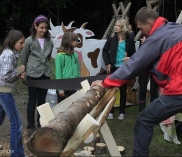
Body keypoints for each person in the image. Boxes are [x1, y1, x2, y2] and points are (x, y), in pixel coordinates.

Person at [91, 7, 182, 156]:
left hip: (179, 90)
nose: (141, 32)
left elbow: (135, 65)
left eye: (141, 28)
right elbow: (160, 62)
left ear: (149, 23)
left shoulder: (158, 36)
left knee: (143, 120)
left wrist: (106, 83)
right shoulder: (174, 29)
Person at [21, 15, 53, 137]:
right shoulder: (29, 41)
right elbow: (23, 58)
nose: (44, 30)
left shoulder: (49, 41)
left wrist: (46, 67)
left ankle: (40, 124)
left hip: (45, 74)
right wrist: (22, 72)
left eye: (46, 28)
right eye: (41, 28)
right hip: (33, 74)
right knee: (32, 101)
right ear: (35, 26)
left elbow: (48, 58)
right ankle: (30, 126)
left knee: (42, 101)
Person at [0, 30, 27, 157]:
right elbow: (5, 76)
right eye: (21, 43)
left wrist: (18, 75)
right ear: (13, 42)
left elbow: (8, 75)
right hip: (3, 93)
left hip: (3, 91)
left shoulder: (11, 53)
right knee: (16, 122)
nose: (23, 45)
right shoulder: (8, 54)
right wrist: (19, 70)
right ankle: (17, 155)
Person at [102, 19, 135, 120]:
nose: (115, 27)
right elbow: (104, 50)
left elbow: (133, 53)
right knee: (112, 89)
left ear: (123, 28)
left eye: (118, 26)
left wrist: (129, 59)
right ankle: (110, 111)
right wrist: (107, 63)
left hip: (124, 68)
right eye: (115, 25)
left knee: (123, 90)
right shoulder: (112, 38)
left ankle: (122, 112)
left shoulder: (129, 39)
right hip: (113, 67)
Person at [55, 32, 80, 102]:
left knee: (72, 106)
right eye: (75, 40)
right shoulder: (60, 56)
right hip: (63, 85)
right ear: (69, 41)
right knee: (62, 107)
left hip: (73, 85)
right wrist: (60, 89)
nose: (77, 42)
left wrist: (78, 84)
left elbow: (78, 71)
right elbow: (58, 73)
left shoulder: (75, 55)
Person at [138, 34, 158, 112]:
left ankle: (153, 112)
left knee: (153, 89)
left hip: (154, 67)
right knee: (142, 88)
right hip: (144, 67)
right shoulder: (144, 36)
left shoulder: (157, 36)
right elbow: (140, 52)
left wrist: (149, 42)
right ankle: (141, 111)